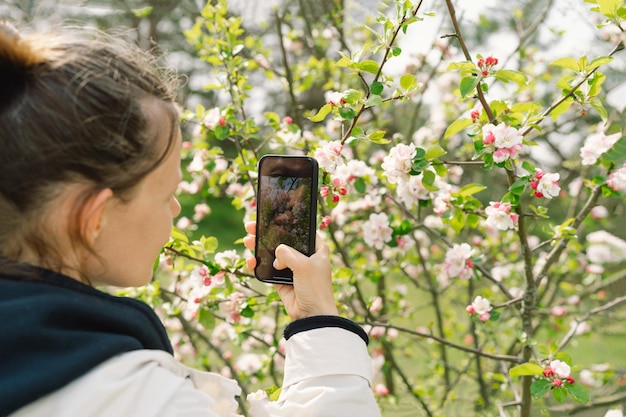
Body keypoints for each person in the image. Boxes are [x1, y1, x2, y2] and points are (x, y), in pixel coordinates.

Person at [0, 22, 381, 417]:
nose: (177, 210)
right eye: (167, 195)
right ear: (94, 218)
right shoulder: (135, 399)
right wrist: (318, 319)